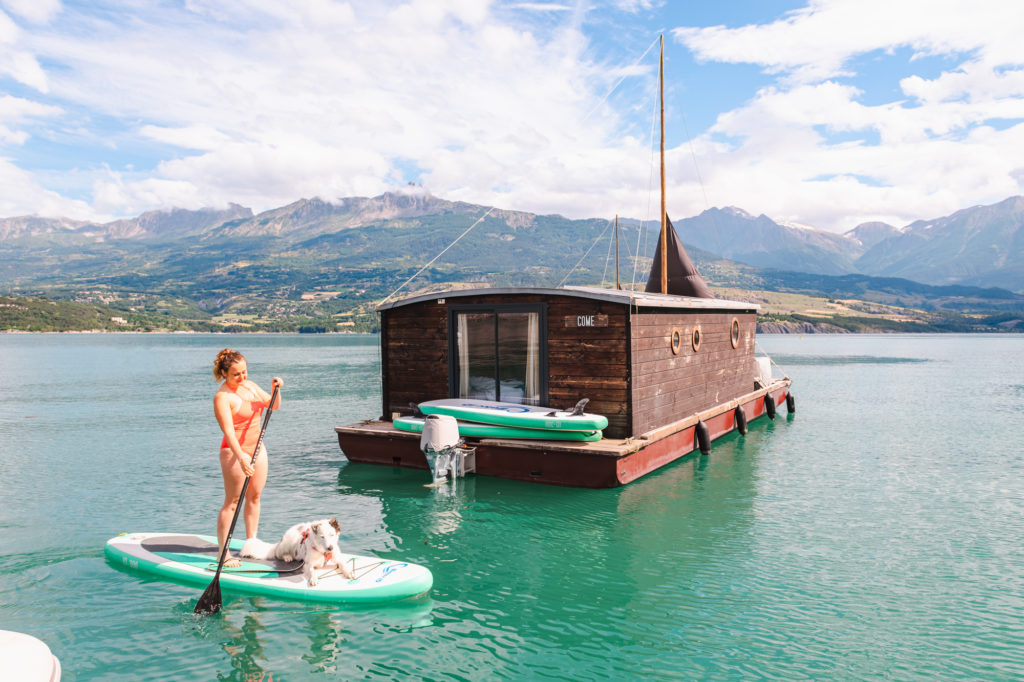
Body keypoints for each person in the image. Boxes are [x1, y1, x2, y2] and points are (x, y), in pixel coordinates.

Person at [212, 348, 283, 567]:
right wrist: (241, 457)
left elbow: (274, 405)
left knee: (254, 497)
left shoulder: (250, 386)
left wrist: (275, 389)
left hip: (258, 450)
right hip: (234, 453)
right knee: (233, 502)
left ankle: (251, 545)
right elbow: (229, 432)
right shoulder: (222, 397)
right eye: (236, 374)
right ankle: (223, 555)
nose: (242, 377)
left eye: (244, 372)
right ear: (224, 373)